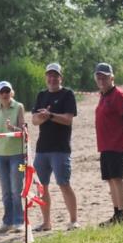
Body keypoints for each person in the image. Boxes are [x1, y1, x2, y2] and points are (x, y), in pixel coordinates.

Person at [31, 63, 80, 231]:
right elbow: (34, 121)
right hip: (42, 148)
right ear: (46, 77)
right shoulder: (41, 95)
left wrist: (50, 115)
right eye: (49, 75)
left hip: (60, 148)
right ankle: (46, 222)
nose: (52, 79)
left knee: (63, 183)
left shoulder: (67, 94)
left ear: (61, 77)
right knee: (41, 186)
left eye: (55, 75)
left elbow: (68, 119)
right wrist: (43, 116)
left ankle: (74, 220)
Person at [94, 63, 123, 225]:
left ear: (112, 77)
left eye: (104, 77)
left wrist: (118, 134)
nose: (101, 80)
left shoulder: (118, 95)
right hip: (105, 145)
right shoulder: (103, 95)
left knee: (117, 178)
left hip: (115, 145)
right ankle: (116, 213)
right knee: (110, 179)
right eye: (99, 77)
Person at [0, 81, 27, 235]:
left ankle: (19, 221)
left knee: (16, 190)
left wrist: (13, 128)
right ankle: (7, 221)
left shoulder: (19, 107)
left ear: (11, 93)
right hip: (1, 154)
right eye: (2, 92)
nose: (5, 94)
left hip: (17, 154)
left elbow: (24, 132)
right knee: (6, 191)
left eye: (7, 91)